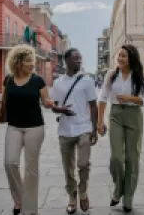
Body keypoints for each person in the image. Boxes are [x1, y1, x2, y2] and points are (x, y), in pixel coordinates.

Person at [0, 44, 54, 215]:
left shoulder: (38, 80)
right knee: (10, 163)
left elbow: (46, 100)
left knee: (31, 168)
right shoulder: (8, 80)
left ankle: (29, 210)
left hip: (34, 128)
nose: (33, 64)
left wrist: (51, 103)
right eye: (29, 61)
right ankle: (19, 200)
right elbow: (2, 101)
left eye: (33, 60)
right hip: (14, 127)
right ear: (18, 62)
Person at [97, 44, 144, 213]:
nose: (120, 59)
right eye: (119, 56)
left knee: (132, 158)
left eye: (124, 56)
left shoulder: (140, 76)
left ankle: (128, 197)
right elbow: (103, 97)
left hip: (134, 115)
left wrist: (133, 98)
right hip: (115, 115)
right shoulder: (111, 75)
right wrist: (100, 121)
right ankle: (118, 187)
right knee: (116, 158)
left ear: (131, 59)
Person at [50, 48, 98, 214]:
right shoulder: (58, 83)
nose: (79, 61)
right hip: (64, 130)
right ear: (67, 61)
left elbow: (93, 106)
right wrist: (60, 110)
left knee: (83, 164)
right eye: (76, 59)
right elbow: (53, 107)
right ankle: (72, 196)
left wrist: (94, 129)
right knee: (67, 167)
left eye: (80, 59)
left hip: (84, 127)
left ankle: (83, 191)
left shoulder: (87, 81)